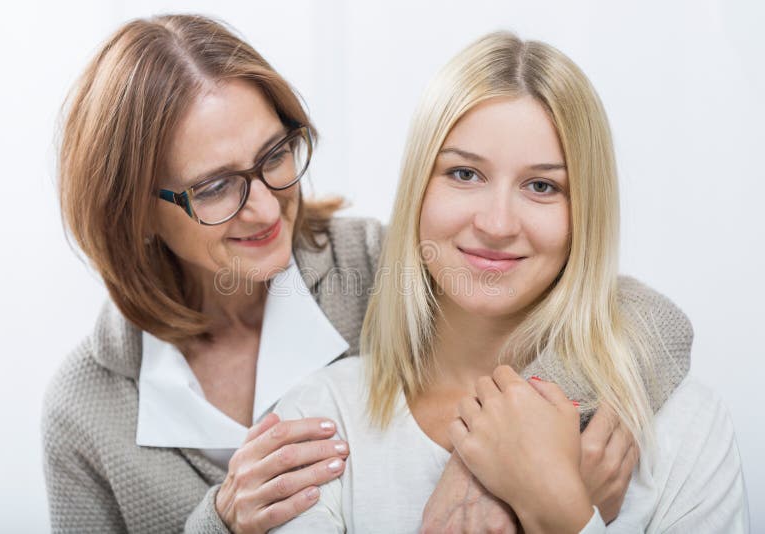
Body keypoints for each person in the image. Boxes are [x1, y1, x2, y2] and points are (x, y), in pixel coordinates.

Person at [42, 15, 693, 533]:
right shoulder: (83, 412)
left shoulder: (371, 267)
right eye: (216, 187)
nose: (268, 206)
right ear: (137, 214)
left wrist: (489, 463)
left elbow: (648, 317)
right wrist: (219, 523)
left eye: (275, 156)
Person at [271, 31, 749, 533]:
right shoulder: (321, 423)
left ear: (586, 214)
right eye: (464, 174)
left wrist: (560, 510)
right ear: (418, 189)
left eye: (542, 186)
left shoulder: (683, 427)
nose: (497, 224)